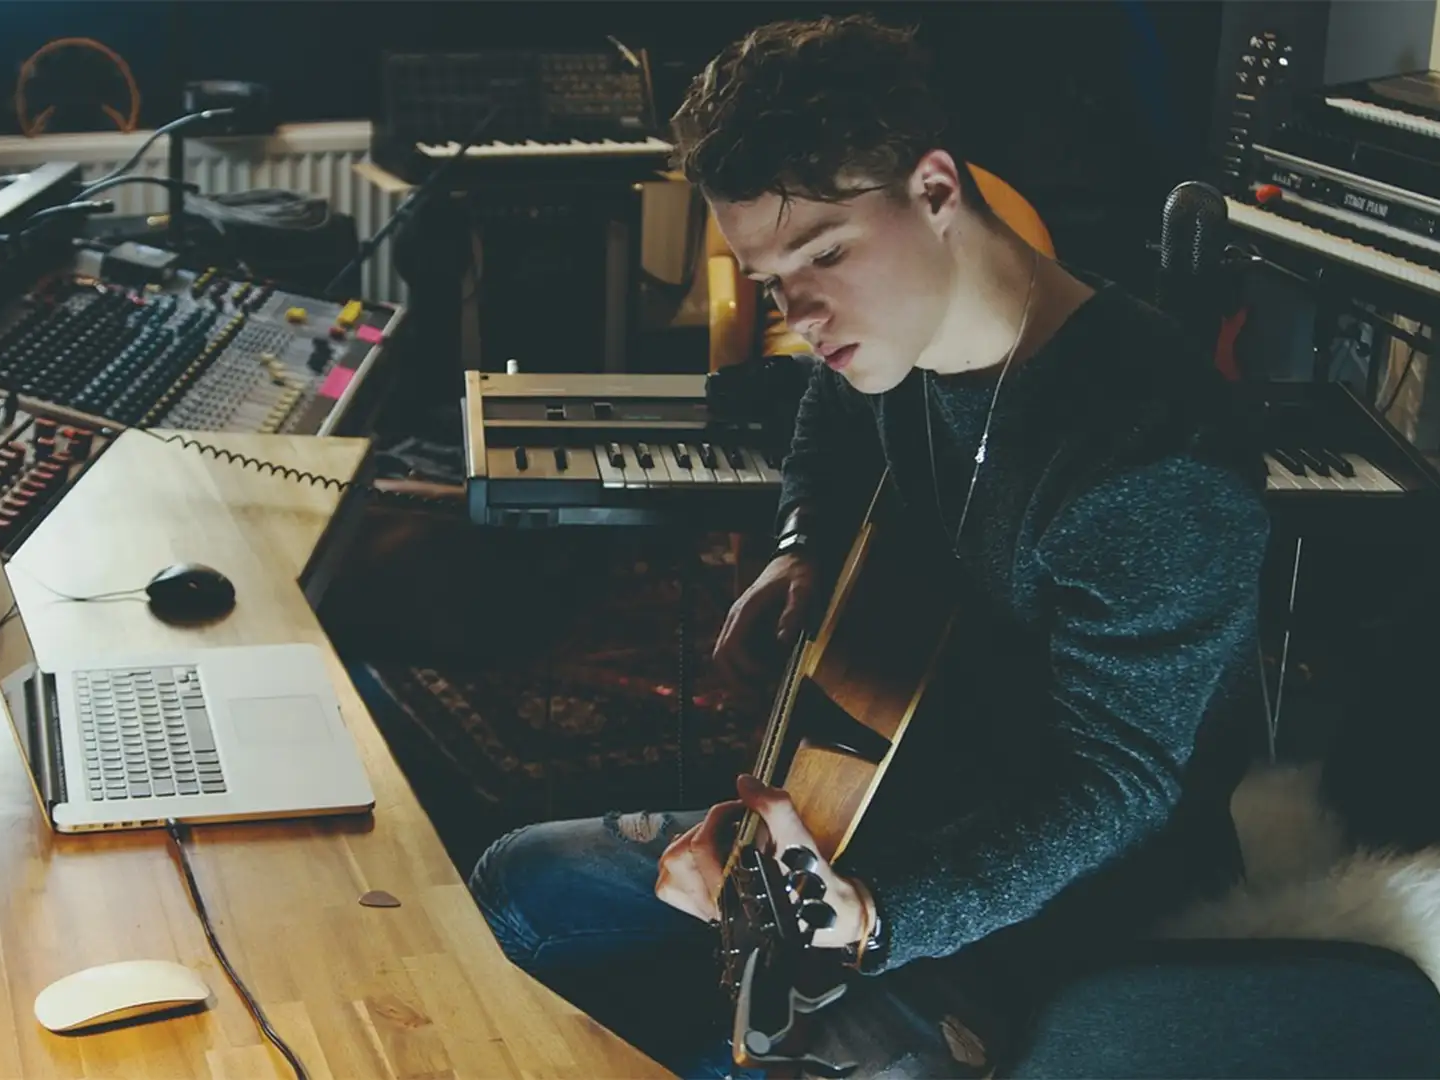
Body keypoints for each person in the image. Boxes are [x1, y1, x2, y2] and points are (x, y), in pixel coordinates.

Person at [468, 15, 1272, 1076]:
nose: (801, 311)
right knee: (516, 881)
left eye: (826, 254)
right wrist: (801, 546)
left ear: (936, 191)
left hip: (1056, 900)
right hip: (894, 792)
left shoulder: (1150, 462)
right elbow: (828, 416)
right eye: (770, 282)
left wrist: (875, 912)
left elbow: (1115, 786)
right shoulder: (888, 340)